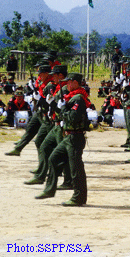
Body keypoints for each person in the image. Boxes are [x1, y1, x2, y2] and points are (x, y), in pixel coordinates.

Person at [35, 72, 91, 206]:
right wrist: (55, 105)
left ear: (75, 82)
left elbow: (73, 117)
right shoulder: (71, 97)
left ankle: (78, 198)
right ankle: (49, 189)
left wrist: (63, 108)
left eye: (69, 82)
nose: (67, 84)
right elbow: (62, 115)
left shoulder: (78, 98)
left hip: (75, 137)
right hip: (67, 136)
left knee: (76, 168)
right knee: (53, 158)